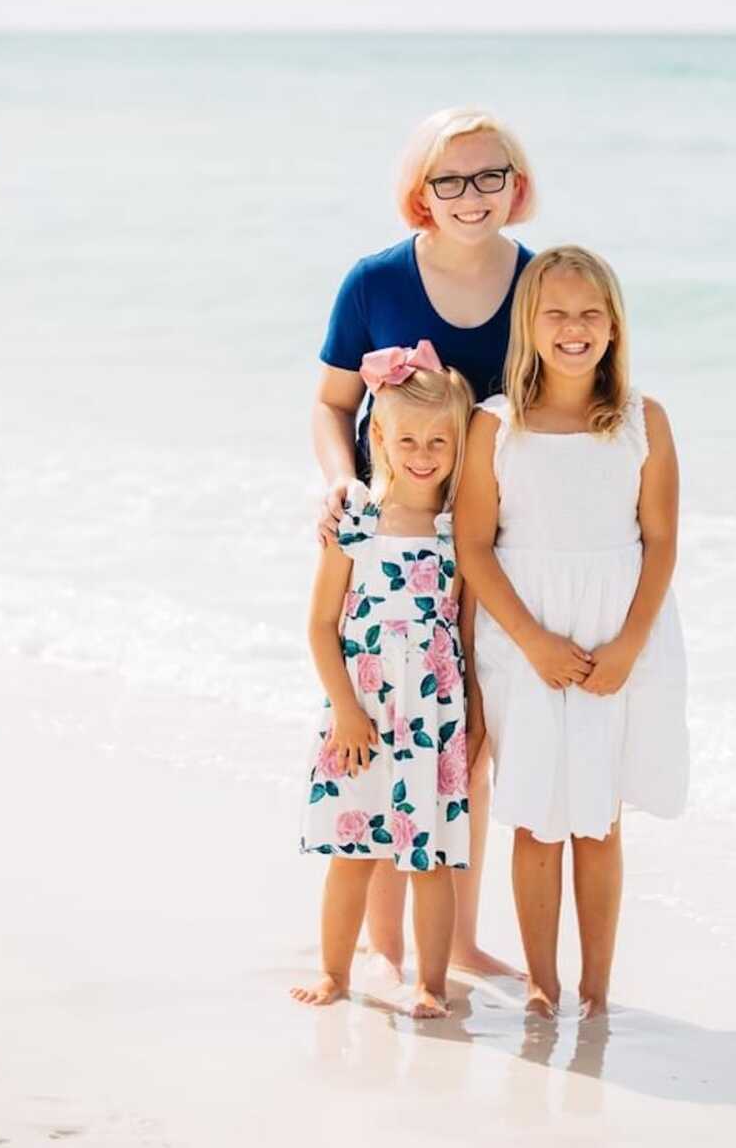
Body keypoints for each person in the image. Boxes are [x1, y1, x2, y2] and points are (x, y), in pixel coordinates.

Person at [311, 106, 537, 979]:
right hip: (391, 528)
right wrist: (342, 482)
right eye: (450, 179)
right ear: (421, 191)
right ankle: (386, 946)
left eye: (490, 176)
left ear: (516, 186)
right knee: (377, 748)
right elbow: (333, 405)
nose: (471, 195)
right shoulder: (373, 281)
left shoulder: (535, 280)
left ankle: (461, 940)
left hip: (498, 539)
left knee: (463, 750)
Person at [454, 247, 689, 1019]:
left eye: (590, 313)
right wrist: (530, 641)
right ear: (530, 324)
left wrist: (626, 645)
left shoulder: (641, 422)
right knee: (536, 815)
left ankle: (596, 987)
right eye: (555, 313)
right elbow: (475, 546)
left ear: (614, 325)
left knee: (598, 818)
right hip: (525, 641)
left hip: (617, 636)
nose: (573, 328)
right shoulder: (497, 426)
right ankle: (542, 986)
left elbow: (660, 541)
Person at [293, 343, 482, 1017]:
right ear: (378, 437)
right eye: (407, 439)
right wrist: (346, 713)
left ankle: (431, 982)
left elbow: (464, 634)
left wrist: (476, 725)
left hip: (433, 719)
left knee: (429, 858)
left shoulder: (460, 532)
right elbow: (321, 626)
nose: (423, 452)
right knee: (354, 849)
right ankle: (336, 974)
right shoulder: (355, 521)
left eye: (439, 440)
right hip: (361, 715)